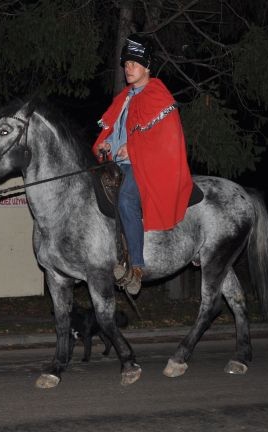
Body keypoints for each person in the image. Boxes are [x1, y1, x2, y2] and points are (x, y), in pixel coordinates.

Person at [92, 34, 193, 295]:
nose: (128, 68)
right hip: (119, 162)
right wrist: (107, 146)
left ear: (147, 67)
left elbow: (166, 138)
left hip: (144, 165)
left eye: (134, 64)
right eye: (126, 64)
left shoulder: (157, 94)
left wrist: (133, 149)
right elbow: (113, 133)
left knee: (126, 199)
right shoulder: (123, 98)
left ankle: (136, 265)